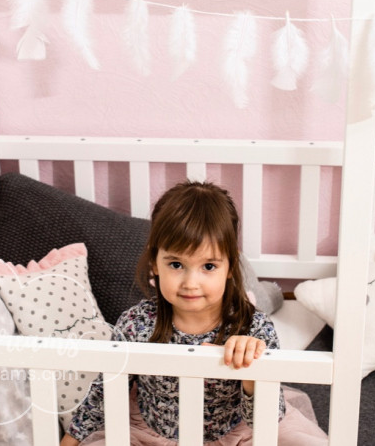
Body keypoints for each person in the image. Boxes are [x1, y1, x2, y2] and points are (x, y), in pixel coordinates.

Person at [60, 181, 327, 445]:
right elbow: (104, 392)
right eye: (176, 264)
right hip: (150, 434)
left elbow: (267, 421)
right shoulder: (136, 323)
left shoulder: (252, 328)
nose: (191, 283)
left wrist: (251, 372)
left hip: (234, 434)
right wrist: (70, 441)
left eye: (208, 266)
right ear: (155, 262)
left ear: (231, 266)